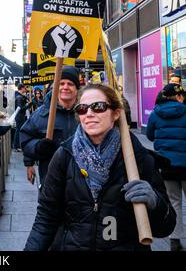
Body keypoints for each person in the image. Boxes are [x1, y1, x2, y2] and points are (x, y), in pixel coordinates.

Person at [24, 84, 176, 251]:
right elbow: (46, 217)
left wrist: (155, 203)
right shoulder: (64, 155)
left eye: (98, 107)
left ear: (116, 113)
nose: (89, 113)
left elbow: (165, 228)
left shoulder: (139, 158)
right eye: (82, 108)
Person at [20, 66, 80, 187]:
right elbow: (26, 139)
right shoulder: (41, 114)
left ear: (77, 88)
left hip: (81, 182)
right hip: (51, 180)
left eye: (70, 84)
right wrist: (37, 147)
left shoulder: (86, 112)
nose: (65, 87)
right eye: (61, 83)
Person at [146, 83, 186, 251]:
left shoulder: (155, 113)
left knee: (174, 201)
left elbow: (150, 135)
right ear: (178, 96)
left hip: (166, 165)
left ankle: (175, 240)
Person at [13, 84, 30, 151]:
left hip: (19, 115)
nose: (25, 90)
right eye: (25, 88)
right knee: (18, 130)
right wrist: (28, 105)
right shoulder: (19, 97)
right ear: (22, 88)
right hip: (19, 116)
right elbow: (20, 108)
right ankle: (16, 146)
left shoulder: (18, 96)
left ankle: (17, 146)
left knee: (19, 130)